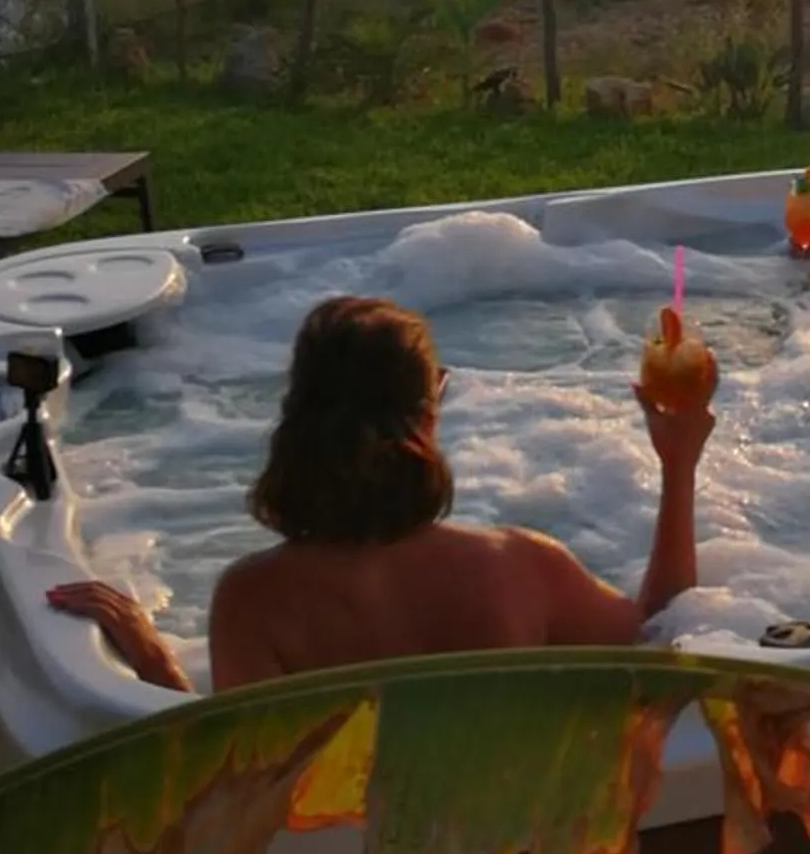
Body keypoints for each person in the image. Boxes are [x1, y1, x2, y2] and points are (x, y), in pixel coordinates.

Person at [46, 292, 713, 693]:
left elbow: (231, 775)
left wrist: (152, 655)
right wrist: (678, 465)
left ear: (297, 418)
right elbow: (660, 635)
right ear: (427, 417)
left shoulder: (254, 599)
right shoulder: (520, 568)